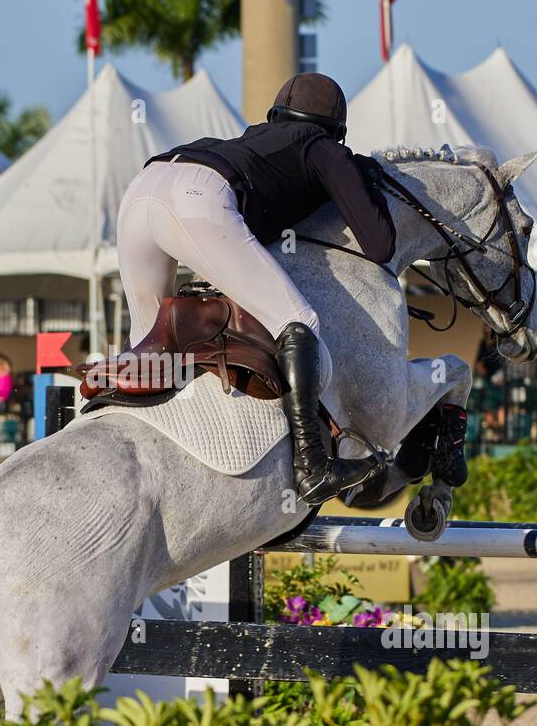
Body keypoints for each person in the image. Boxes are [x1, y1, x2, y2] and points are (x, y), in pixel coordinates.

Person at [114, 72, 397, 505]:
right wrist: (354, 175)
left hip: (143, 187)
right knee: (299, 319)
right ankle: (314, 465)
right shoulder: (323, 149)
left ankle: (132, 458)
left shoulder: (257, 140)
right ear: (338, 132)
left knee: (151, 344)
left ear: (275, 116)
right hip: (198, 196)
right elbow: (380, 246)